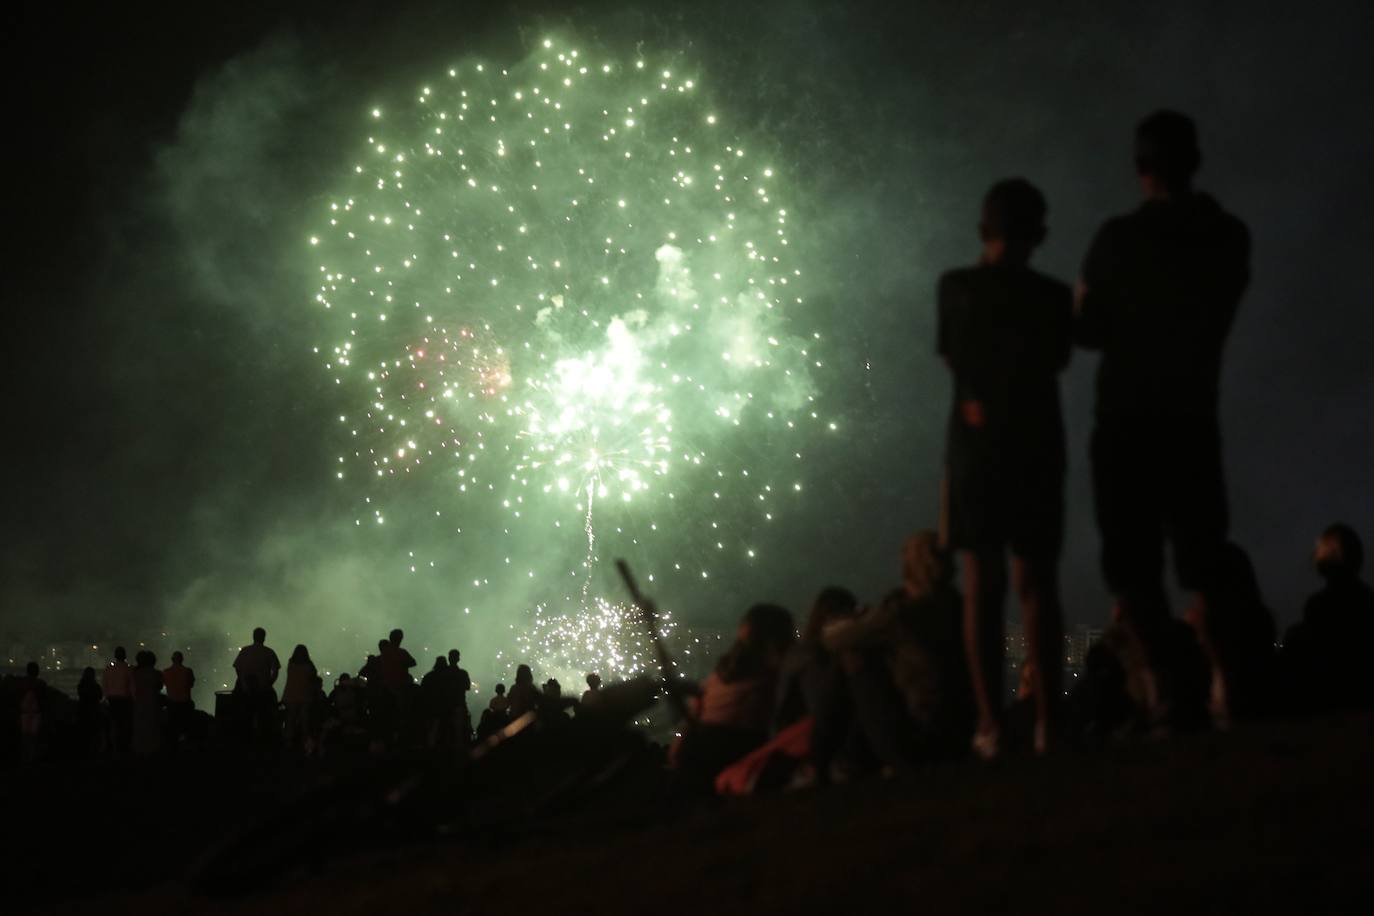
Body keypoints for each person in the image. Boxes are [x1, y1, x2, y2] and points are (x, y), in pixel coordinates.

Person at [1076, 110, 1250, 725]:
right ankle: (1231, 683)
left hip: (1125, 417)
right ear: (1194, 160)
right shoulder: (1228, 235)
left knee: (1133, 564)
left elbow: (1087, 328)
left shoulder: (1116, 240)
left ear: (1139, 168)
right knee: (1206, 552)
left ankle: (1173, 691)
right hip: (1191, 412)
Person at [938, 177, 1071, 757]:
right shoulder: (1053, 296)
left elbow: (953, 355)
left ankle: (991, 723)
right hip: (1037, 440)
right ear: (1039, 233)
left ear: (981, 229)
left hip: (975, 447)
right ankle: (1049, 721)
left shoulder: (956, 286)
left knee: (982, 584)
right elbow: (1059, 358)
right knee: (1037, 582)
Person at [823, 533, 974, 769]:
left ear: (908, 570)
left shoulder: (900, 614)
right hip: (963, 733)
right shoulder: (965, 608)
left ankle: (828, 760)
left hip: (918, 739)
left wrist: (861, 617)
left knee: (851, 654)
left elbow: (832, 638)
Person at [671, 603, 796, 791]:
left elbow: (696, 710)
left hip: (694, 750)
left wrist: (677, 754)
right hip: (730, 752)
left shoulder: (721, 673)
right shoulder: (774, 673)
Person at [1283, 524, 1374, 711]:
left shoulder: (1318, 607)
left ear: (1336, 554)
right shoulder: (1367, 601)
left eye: (1321, 548)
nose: (1315, 553)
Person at [232, 627, 281, 746]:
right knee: (263, 717)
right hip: (263, 691)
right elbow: (276, 670)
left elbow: (237, 667)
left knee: (245, 717)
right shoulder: (269, 652)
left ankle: (244, 741)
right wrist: (269, 683)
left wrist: (242, 681)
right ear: (264, 637)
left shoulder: (245, 651)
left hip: (245, 691)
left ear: (253, 637)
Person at [282, 644, 318, 754]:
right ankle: (306, 746)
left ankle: (288, 745)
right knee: (305, 723)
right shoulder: (309, 665)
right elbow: (313, 677)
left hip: (290, 695)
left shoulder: (291, 663)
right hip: (305, 696)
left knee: (290, 721)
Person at [102, 646, 136, 754]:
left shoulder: (109, 669)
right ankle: (123, 747)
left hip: (112, 700)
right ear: (124, 655)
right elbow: (132, 687)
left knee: (113, 724)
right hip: (124, 700)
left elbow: (104, 684)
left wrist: (106, 697)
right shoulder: (128, 669)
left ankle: (113, 747)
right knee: (124, 725)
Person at [131, 650, 163, 755]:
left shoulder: (135, 673)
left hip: (139, 705)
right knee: (152, 730)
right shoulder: (157, 674)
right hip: (153, 704)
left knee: (140, 730)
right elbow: (159, 687)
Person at [162, 651, 195, 749]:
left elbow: (163, 684)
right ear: (182, 659)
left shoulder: (166, 672)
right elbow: (191, 684)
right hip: (185, 704)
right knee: (185, 729)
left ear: (172, 660)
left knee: (172, 729)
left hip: (171, 704)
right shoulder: (188, 671)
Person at [76, 666, 104, 755]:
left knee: (84, 733)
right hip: (94, 712)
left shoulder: (81, 686)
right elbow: (100, 697)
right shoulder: (96, 686)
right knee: (94, 733)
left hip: (83, 711)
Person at [446, 649, 473, 742]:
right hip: (459, 703)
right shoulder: (463, 673)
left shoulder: (443, 673)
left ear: (449, 658)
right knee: (459, 731)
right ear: (458, 659)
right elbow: (468, 687)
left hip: (445, 704)